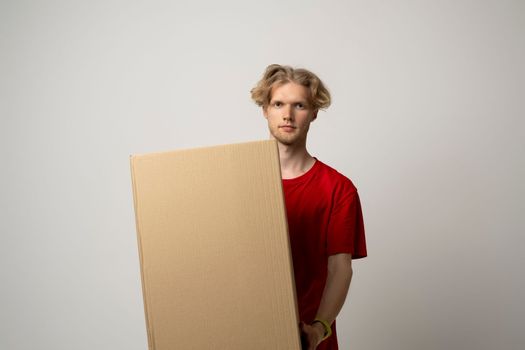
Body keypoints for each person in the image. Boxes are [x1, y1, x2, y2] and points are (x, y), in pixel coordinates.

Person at [251, 64, 367, 350]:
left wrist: (319, 329)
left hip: (307, 340)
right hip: (248, 333)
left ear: (314, 112)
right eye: (278, 104)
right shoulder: (240, 181)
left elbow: (340, 269)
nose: (287, 115)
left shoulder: (338, 189)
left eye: (299, 105)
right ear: (265, 109)